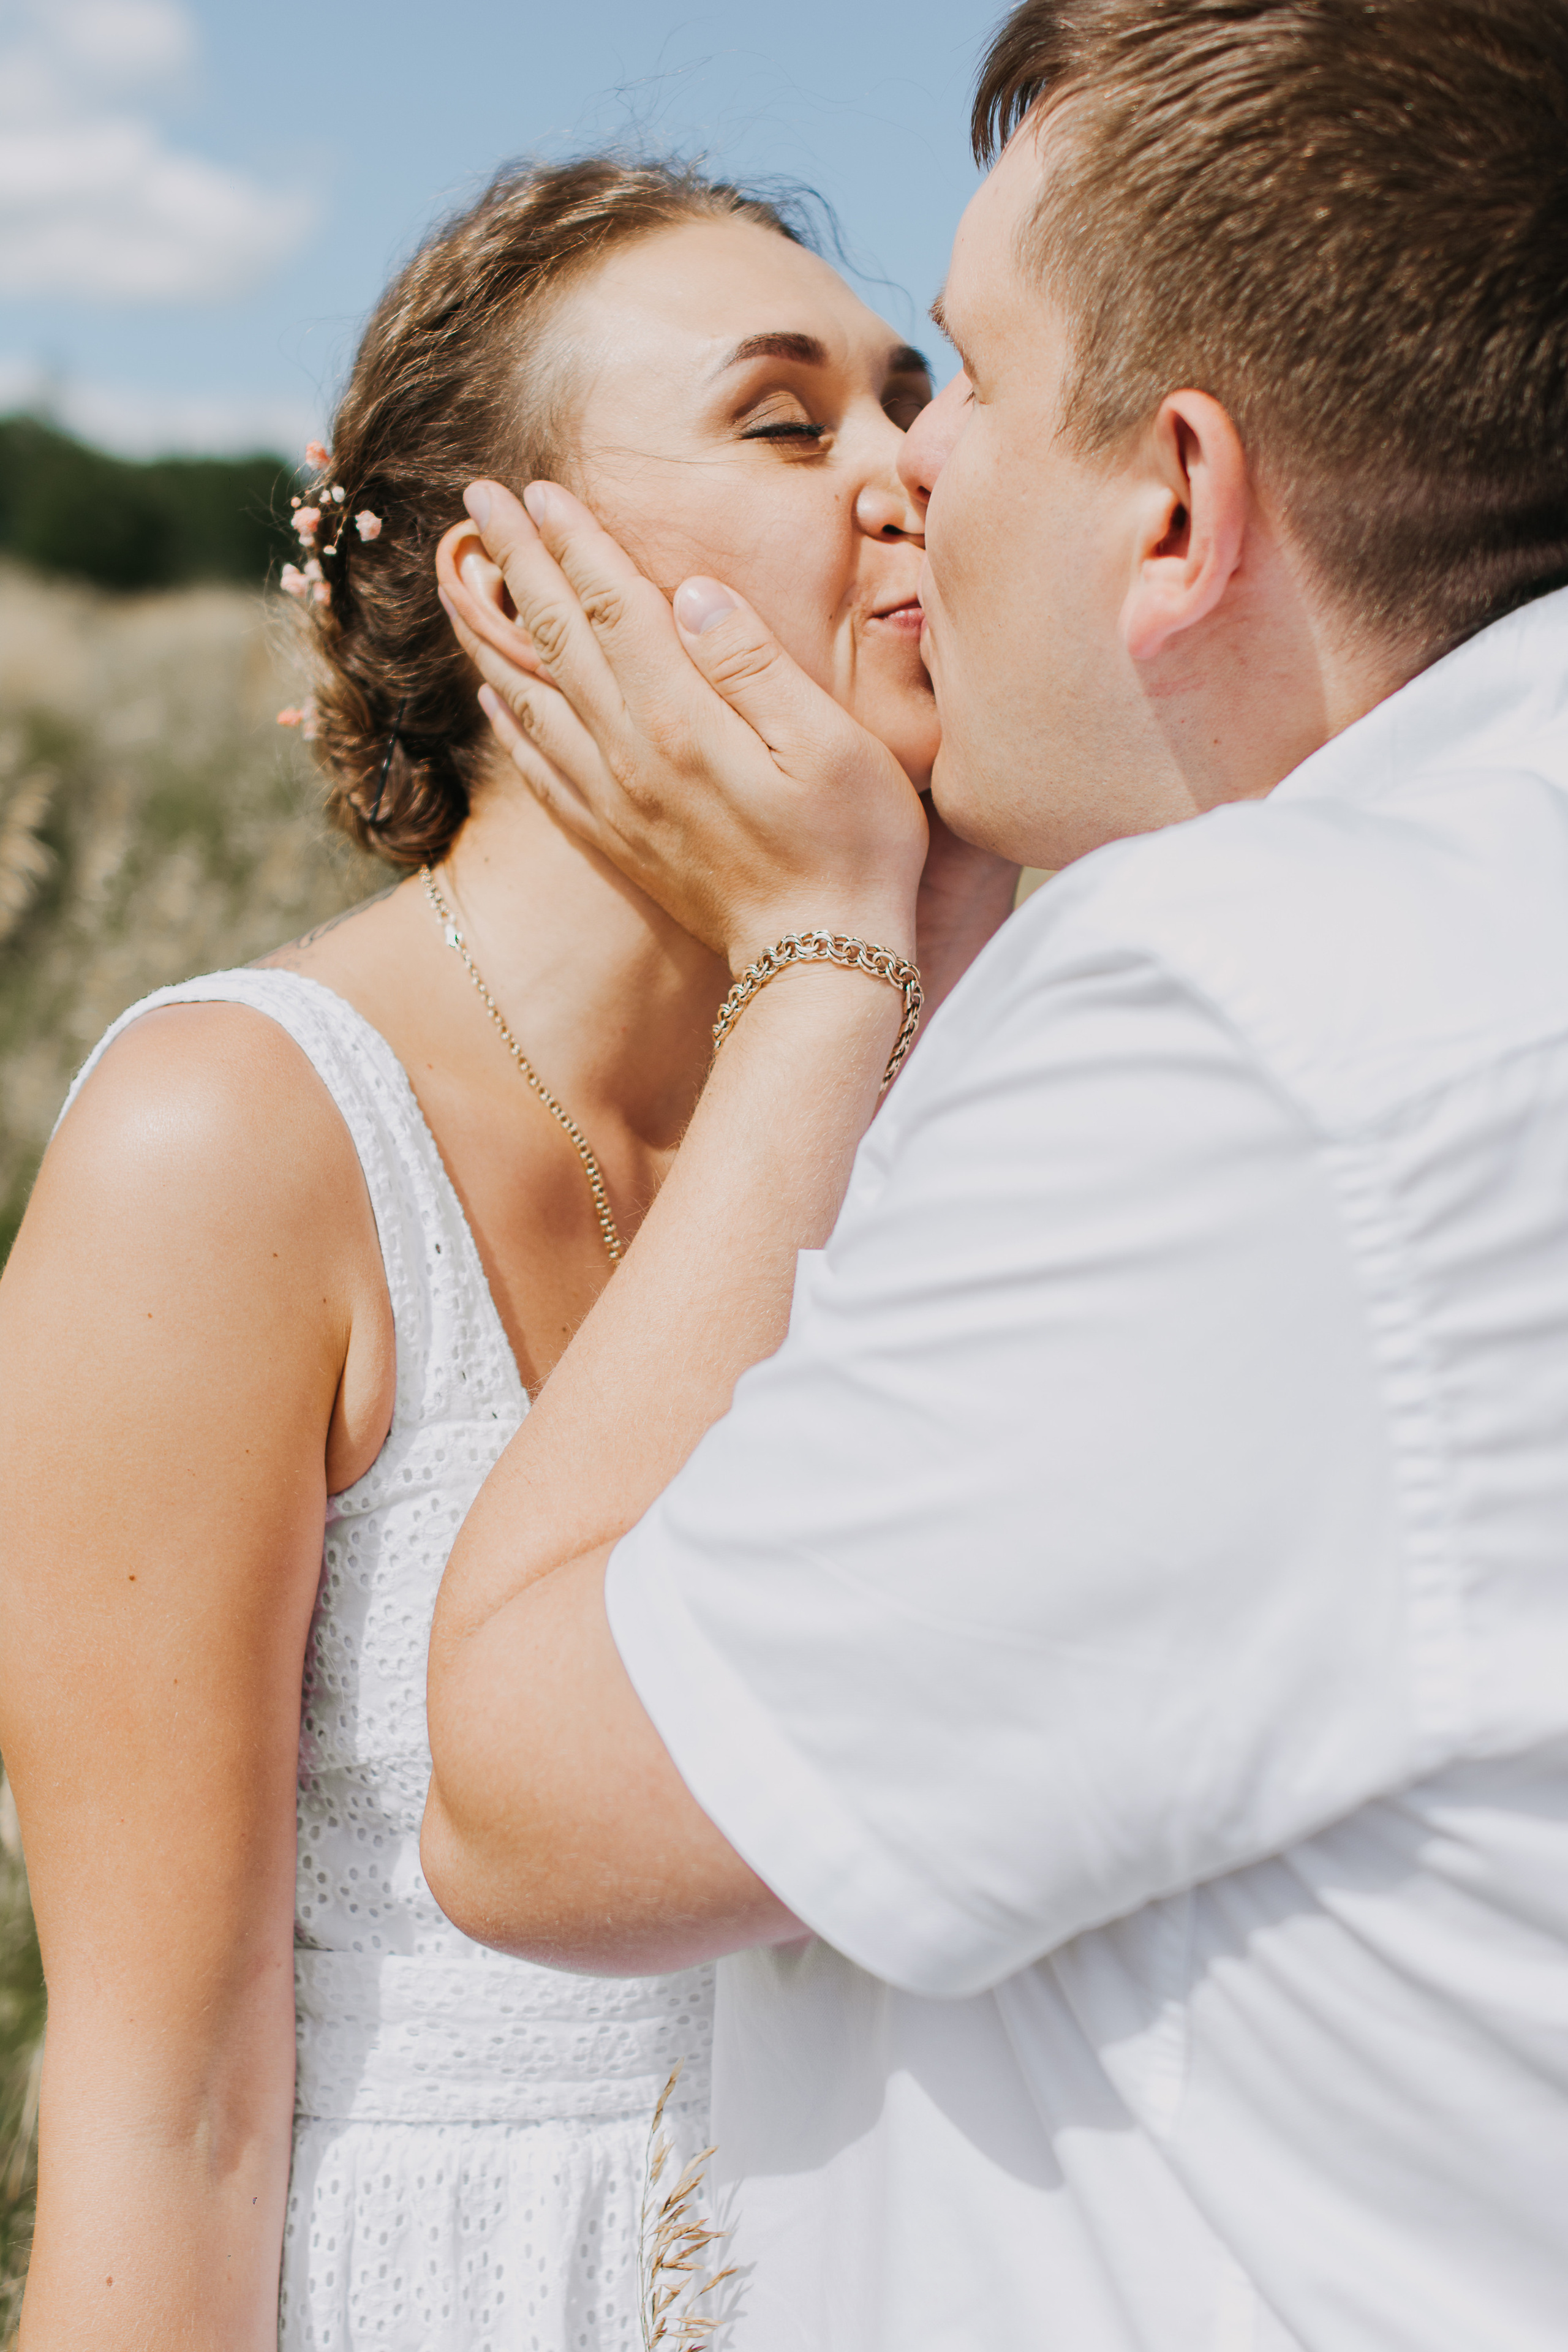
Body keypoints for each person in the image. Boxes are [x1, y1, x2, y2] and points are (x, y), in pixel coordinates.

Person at [420, 4, 1568, 2347]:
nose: (903, 478)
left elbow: (527, 1806)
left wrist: (825, 957)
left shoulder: (1249, 1017)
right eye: (801, 411)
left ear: (1177, 499)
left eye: (954, 377)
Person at [0, 157, 1014, 2351]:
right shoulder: (231, 1144)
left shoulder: (962, 1091)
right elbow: (160, 2113)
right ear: (511, 591)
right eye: (787, 417)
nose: (910, 466)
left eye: (912, 395)